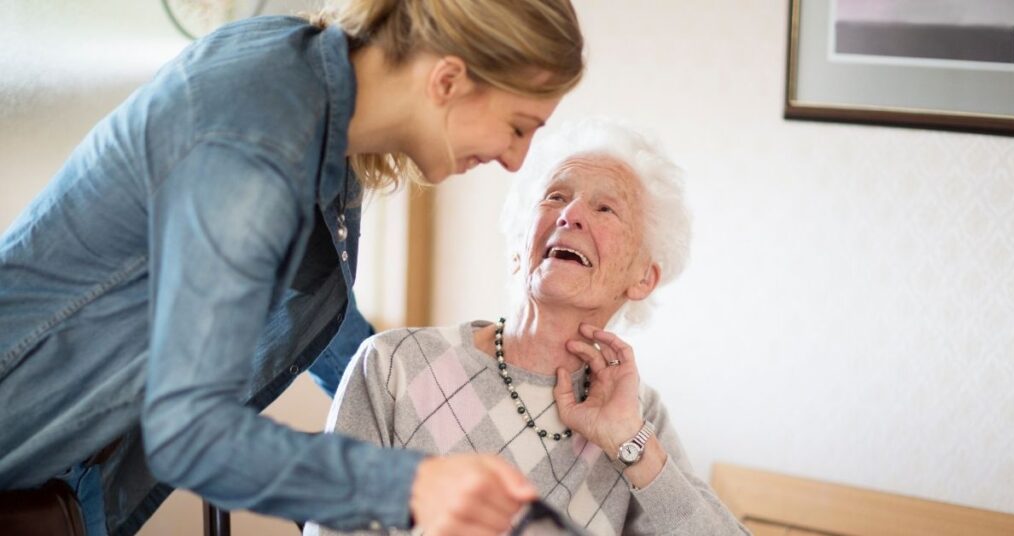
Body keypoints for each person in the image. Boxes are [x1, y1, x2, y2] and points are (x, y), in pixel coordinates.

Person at [0, 1, 584, 534]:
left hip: (74, 482)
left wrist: (422, 439)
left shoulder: (311, 106)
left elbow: (329, 326)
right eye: (518, 127)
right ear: (448, 80)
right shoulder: (258, 141)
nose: (516, 161)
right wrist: (409, 485)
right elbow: (188, 434)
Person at [305, 120, 751, 535]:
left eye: (605, 208)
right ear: (519, 247)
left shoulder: (638, 415)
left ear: (642, 278)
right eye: (555, 196)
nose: (570, 214)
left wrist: (630, 445)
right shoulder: (392, 365)